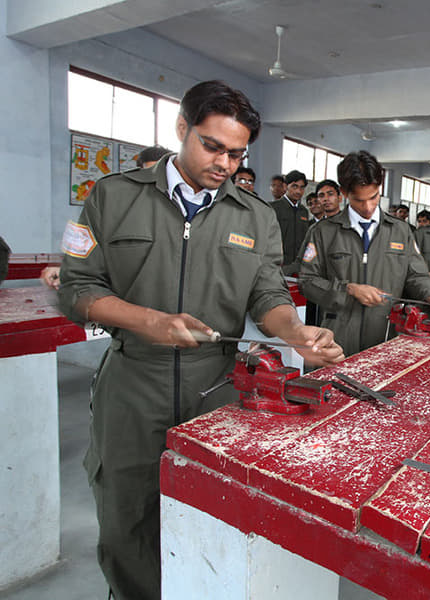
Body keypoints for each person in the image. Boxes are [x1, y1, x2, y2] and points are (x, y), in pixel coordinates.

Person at [56, 80, 344, 600]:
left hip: (217, 392)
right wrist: (150, 321)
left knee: (214, 523)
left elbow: (268, 293)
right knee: (127, 519)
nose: (225, 164)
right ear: (181, 129)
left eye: (236, 153)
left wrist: (294, 331)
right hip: (132, 384)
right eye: (212, 146)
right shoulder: (115, 196)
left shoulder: (255, 216)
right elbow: (78, 288)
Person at [298, 150, 430, 356]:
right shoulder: (323, 232)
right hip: (338, 339)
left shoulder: (401, 231)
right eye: (358, 200)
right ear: (344, 193)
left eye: (374, 197)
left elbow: (415, 274)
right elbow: (307, 281)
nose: (368, 207)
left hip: (387, 337)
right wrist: (349, 290)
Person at [271, 170, 311, 274]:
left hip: (299, 267)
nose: (298, 191)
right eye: (294, 186)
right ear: (285, 186)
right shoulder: (273, 208)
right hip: (278, 265)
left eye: (302, 187)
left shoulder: (304, 212)